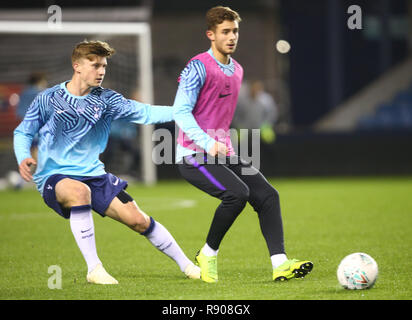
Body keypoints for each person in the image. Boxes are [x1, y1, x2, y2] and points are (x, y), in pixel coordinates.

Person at [13, 40, 200, 285]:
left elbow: (146, 113)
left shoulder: (107, 100)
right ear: (77, 65)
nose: (101, 71)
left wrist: (183, 111)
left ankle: (188, 266)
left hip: (94, 174)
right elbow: (23, 132)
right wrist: (23, 155)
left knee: (138, 220)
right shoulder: (47, 99)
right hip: (54, 176)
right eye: (95, 65)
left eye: (104, 66)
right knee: (79, 192)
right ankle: (95, 270)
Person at [173, 6, 313, 283]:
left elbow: (220, 118)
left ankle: (280, 264)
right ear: (210, 35)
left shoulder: (237, 70)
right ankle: (208, 254)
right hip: (192, 153)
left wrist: (224, 146)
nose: (232, 36)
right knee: (237, 193)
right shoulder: (197, 66)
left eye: (235, 31)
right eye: (225, 31)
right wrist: (207, 143)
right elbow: (180, 111)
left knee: (268, 196)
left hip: (222, 152)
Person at [233, 80, 278, 144]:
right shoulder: (242, 100)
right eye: (253, 88)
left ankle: (268, 153)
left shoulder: (267, 100)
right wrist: (239, 125)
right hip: (244, 127)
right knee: (235, 139)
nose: (255, 91)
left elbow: (272, 114)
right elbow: (236, 114)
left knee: (269, 138)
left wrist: (266, 125)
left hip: (263, 127)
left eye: (258, 89)